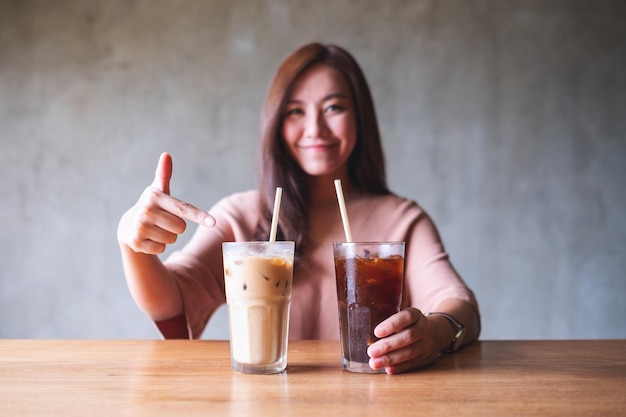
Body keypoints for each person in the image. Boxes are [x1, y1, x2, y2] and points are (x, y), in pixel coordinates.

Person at [117, 42, 480, 374]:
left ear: (361, 117)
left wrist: (435, 332)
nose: (314, 128)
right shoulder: (241, 217)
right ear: (275, 124)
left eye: (334, 107)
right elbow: (172, 304)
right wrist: (132, 245)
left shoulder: (402, 221)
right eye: (295, 111)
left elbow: (459, 304)